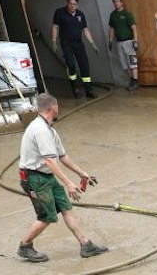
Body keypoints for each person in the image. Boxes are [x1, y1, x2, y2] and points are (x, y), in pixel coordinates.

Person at [13, 93, 109, 262]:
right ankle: (25, 245)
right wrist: (69, 183)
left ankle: (85, 244)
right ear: (53, 108)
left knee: (66, 207)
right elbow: (49, 160)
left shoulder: (49, 129)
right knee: (47, 216)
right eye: (58, 107)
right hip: (35, 178)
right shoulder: (40, 130)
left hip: (46, 176)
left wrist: (81, 173)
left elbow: (62, 156)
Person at [50, 0, 96, 99]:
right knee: (71, 65)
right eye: (70, 4)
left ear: (77, 5)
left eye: (74, 4)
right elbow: (55, 27)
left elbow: (85, 29)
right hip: (66, 44)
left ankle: (89, 89)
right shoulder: (60, 12)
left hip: (79, 44)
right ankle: (76, 88)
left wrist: (92, 43)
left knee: (84, 65)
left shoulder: (80, 14)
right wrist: (53, 41)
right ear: (67, 3)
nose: (72, 6)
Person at [107, 0, 138, 90]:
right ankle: (132, 80)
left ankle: (135, 81)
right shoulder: (113, 15)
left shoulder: (127, 14)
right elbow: (112, 28)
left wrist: (135, 41)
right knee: (124, 64)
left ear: (121, 2)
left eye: (117, 1)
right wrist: (111, 40)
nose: (116, 3)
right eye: (114, 2)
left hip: (129, 42)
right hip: (119, 43)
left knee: (132, 62)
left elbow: (134, 28)